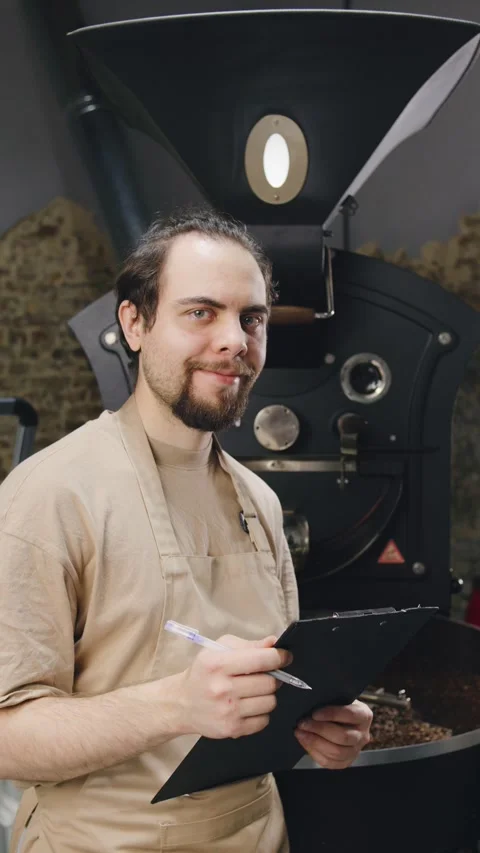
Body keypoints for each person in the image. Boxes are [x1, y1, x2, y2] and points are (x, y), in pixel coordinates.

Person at [0, 208, 372, 852]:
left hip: (258, 835)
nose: (235, 341)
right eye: (201, 312)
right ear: (135, 324)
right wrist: (174, 706)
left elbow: (273, 683)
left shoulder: (259, 500)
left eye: (251, 319)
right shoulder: (51, 494)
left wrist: (317, 724)